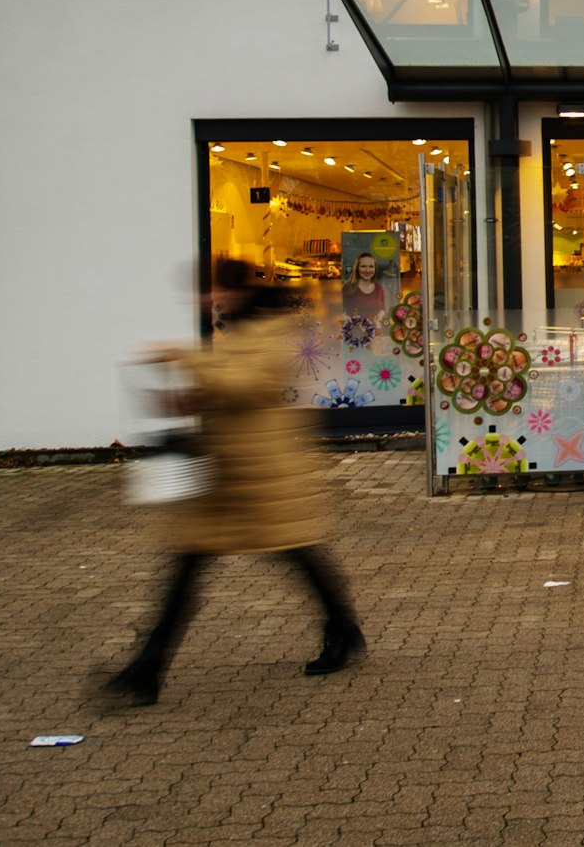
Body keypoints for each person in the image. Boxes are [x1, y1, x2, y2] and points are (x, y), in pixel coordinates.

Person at [105, 259, 365, 707]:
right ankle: (147, 666)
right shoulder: (232, 332)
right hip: (224, 476)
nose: (205, 300)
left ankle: (343, 627)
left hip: (264, 476)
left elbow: (245, 385)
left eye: (210, 292)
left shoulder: (270, 331)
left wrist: (184, 359)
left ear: (236, 291)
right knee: (186, 569)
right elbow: (221, 387)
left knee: (298, 555)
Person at [341, 251, 388, 316]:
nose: (367, 270)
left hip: (375, 326)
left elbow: (382, 309)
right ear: (357, 268)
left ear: (375, 268)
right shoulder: (347, 288)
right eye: (363, 266)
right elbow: (340, 313)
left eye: (371, 266)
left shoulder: (379, 288)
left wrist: (380, 316)